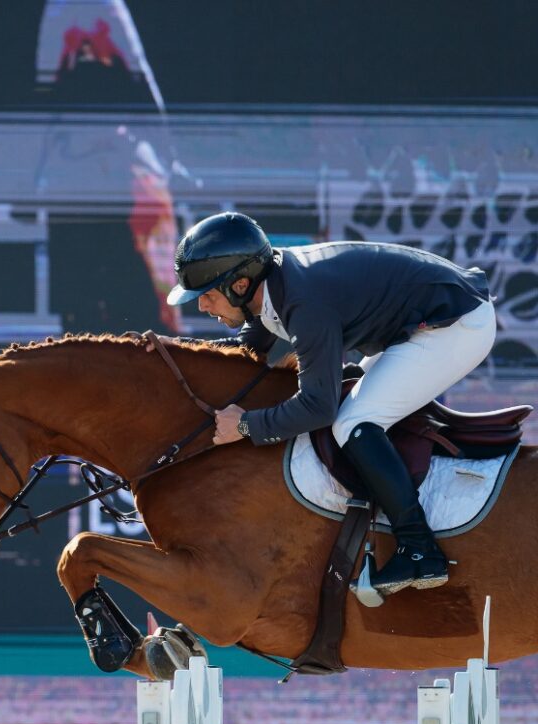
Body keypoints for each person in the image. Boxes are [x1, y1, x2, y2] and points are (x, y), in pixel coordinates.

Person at [163, 211, 497, 597]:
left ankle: (420, 550)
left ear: (240, 285)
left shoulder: (305, 303)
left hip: (457, 326)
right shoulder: (272, 282)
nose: (202, 307)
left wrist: (245, 426)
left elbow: (318, 407)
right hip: (424, 320)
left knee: (353, 421)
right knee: (353, 404)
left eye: (207, 295)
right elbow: (248, 348)